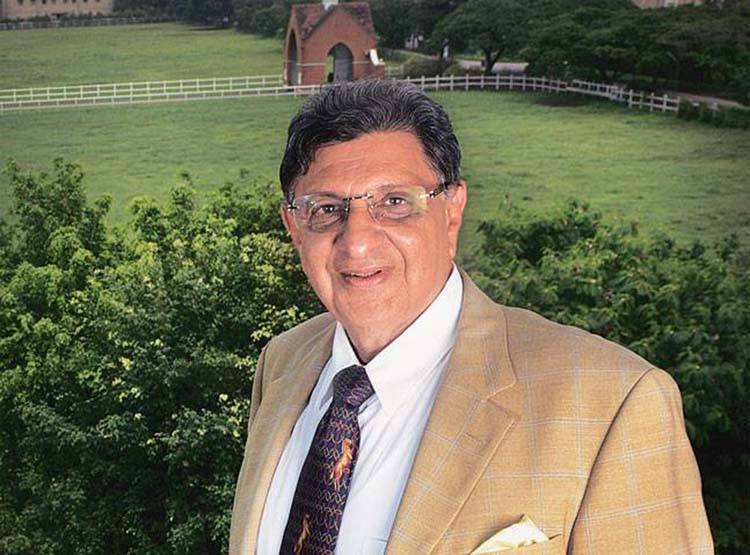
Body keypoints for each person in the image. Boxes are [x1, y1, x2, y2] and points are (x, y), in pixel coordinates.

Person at [229, 79, 713, 554]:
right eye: (326, 208)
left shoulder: (613, 402)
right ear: (294, 226)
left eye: (394, 203)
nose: (356, 242)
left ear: (453, 211)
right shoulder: (282, 363)